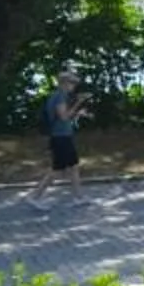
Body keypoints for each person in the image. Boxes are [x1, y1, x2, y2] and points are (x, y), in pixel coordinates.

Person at [37, 69, 87, 198]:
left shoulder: (59, 96)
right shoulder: (59, 97)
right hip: (60, 137)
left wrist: (77, 113)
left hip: (64, 136)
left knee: (73, 166)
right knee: (57, 170)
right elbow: (64, 117)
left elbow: (64, 117)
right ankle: (34, 197)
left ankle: (79, 197)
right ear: (64, 83)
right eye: (72, 83)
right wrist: (78, 103)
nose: (73, 86)